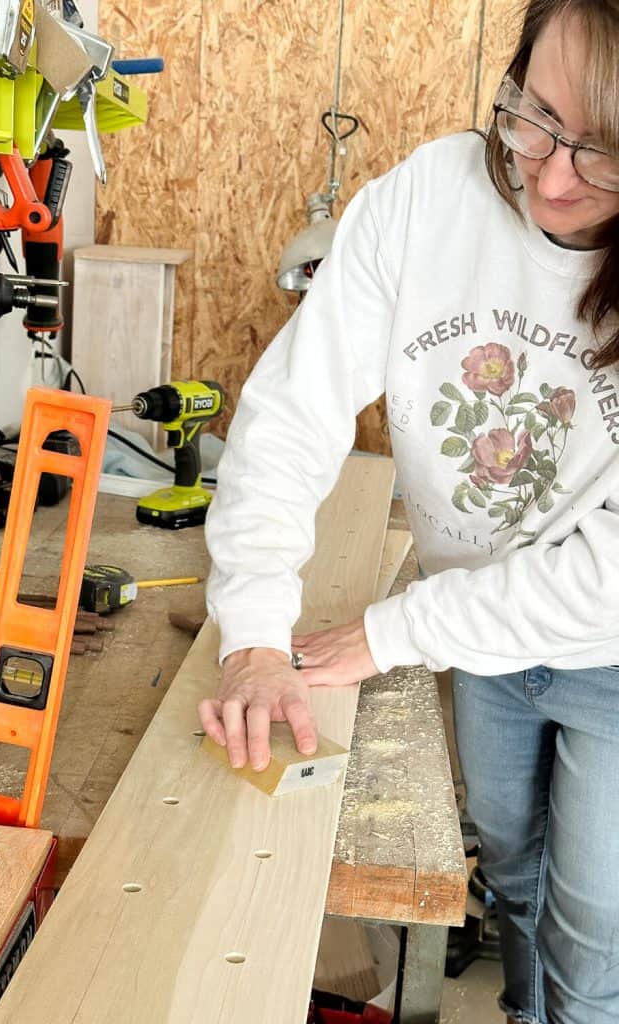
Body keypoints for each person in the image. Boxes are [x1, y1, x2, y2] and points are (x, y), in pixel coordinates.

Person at [198, 2, 619, 1022]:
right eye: (537, 117)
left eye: (604, 155)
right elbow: (295, 411)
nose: (552, 178)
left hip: (607, 647)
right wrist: (253, 631)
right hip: (474, 630)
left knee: (596, 922)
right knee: (511, 864)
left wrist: (393, 635)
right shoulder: (422, 201)